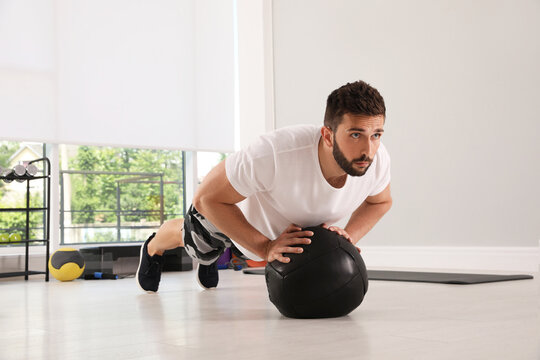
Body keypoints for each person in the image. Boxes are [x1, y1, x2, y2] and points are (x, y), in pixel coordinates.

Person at [136, 80, 393, 292]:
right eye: (356, 135)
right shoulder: (275, 152)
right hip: (233, 212)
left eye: (376, 135)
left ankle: (216, 254)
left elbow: (381, 201)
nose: (368, 150)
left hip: (280, 225)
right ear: (328, 135)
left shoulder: (376, 161)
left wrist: (349, 236)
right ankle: (153, 246)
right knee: (200, 249)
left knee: (216, 251)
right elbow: (207, 199)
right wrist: (264, 248)